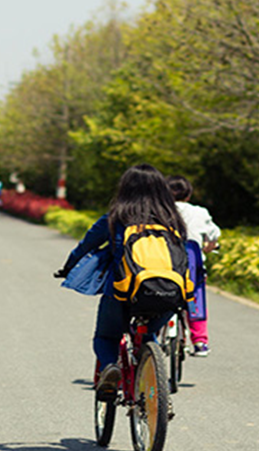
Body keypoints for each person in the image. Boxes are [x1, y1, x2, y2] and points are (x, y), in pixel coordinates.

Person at [54, 163, 189, 399]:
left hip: (121, 294)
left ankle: (110, 368)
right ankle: (151, 390)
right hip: (169, 294)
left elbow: (86, 246)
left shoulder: (116, 218)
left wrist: (67, 268)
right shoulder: (173, 221)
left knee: (106, 337)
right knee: (148, 335)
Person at [167, 175, 221, 356]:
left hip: (164, 269)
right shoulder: (200, 212)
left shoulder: (160, 210)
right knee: (196, 298)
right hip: (192, 270)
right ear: (188, 195)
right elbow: (213, 236)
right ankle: (200, 342)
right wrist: (207, 248)